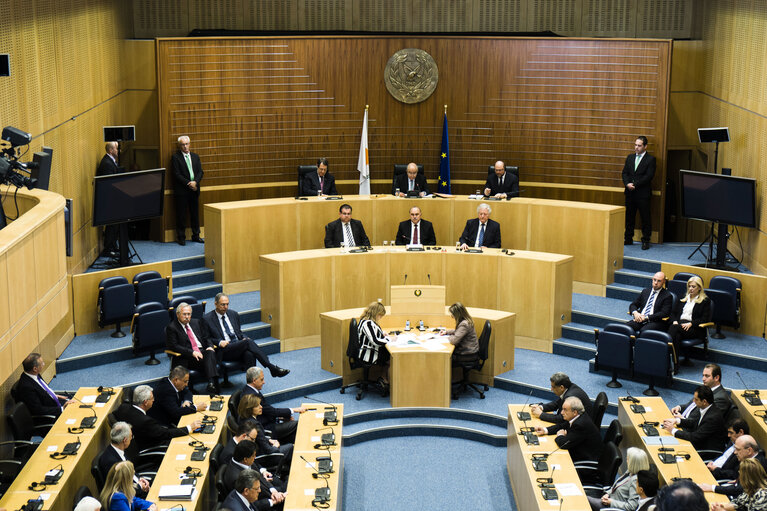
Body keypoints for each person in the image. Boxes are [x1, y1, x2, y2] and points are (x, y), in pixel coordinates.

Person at [202, 293, 289, 378]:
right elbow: (206, 338)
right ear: (215, 304)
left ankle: (252, 384)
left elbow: (238, 332)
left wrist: (243, 337)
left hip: (237, 345)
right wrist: (219, 342)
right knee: (248, 343)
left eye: (227, 304)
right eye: (223, 305)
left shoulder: (233, 314)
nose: (226, 307)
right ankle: (271, 367)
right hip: (224, 349)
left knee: (249, 353)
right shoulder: (207, 318)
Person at [112, 385, 201, 452]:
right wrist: (190, 427)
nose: (154, 400)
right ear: (145, 402)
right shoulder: (145, 421)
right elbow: (165, 434)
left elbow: (126, 391)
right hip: (147, 446)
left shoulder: (123, 407)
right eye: (152, 398)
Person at [241, 366, 306, 445]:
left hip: (268, 421)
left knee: (292, 430)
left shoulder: (248, 389)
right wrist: (294, 410)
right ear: (254, 380)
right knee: (297, 424)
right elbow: (272, 411)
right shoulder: (252, 395)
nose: (264, 382)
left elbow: (267, 411)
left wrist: (280, 417)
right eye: (261, 379)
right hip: (266, 428)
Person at [165, 303, 220, 394]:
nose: (187, 317)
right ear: (178, 314)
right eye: (184, 314)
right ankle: (213, 384)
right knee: (211, 359)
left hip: (202, 353)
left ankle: (211, 383)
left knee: (211, 353)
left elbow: (206, 337)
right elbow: (174, 346)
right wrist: (192, 352)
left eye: (189, 314)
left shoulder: (196, 322)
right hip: (188, 357)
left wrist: (210, 346)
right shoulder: (172, 327)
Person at [534, 396, 602, 467]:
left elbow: (564, 444)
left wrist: (560, 435)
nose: (562, 412)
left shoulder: (580, 425)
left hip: (586, 460)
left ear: (574, 412)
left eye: (565, 410)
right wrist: (545, 430)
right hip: (578, 449)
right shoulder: (578, 415)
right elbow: (562, 426)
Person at [662, 384, 727, 453]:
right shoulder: (705, 408)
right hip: (700, 441)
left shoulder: (712, 417)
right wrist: (677, 421)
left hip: (707, 450)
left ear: (704, 401)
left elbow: (695, 437)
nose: (693, 401)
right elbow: (693, 422)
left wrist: (673, 430)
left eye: (696, 399)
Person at [221, 440, 286, 505]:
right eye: (253, 456)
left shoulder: (244, 462)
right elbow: (250, 504)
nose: (255, 458)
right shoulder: (236, 479)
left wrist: (273, 491)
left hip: (267, 488)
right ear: (245, 459)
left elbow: (259, 476)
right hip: (265, 501)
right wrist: (272, 502)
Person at [700, 435, 767, 498]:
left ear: (749, 450)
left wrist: (712, 488)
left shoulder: (755, 465)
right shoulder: (750, 459)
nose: (735, 452)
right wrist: (738, 479)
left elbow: (740, 490)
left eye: (738, 449)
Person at [96, 421, 151, 496]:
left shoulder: (117, 450)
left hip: (135, 485)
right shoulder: (111, 462)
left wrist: (139, 479)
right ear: (125, 440)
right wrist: (140, 486)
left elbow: (131, 473)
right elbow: (121, 490)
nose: (131, 439)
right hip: (131, 497)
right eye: (131, 437)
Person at [667, 276, 712, 368]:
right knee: (677, 336)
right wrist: (675, 321)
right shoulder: (683, 298)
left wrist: (691, 324)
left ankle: (665, 355)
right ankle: (675, 365)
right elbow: (673, 313)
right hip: (679, 326)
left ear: (699, 288)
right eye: (689, 286)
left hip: (695, 328)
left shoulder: (705, 301)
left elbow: (704, 319)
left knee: (673, 329)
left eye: (693, 287)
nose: (690, 289)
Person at [622, 136, 656, 250]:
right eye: (635, 145)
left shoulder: (650, 159)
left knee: (645, 218)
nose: (636, 147)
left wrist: (634, 184)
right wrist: (627, 184)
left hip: (642, 194)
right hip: (630, 193)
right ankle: (628, 239)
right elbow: (625, 173)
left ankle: (646, 240)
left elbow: (649, 176)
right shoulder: (630, 157)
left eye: (639, 145)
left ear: (645, 146)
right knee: (629, 217)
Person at [15, 352, 73, 417]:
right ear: (35, 369)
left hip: (53, 402)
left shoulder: (34, 374)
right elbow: (38, 409)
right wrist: (62, 409)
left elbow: (43, 391)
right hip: (51, 414)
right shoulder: (26, 387)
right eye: (42, 363)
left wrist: (54, 395)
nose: (44, 364)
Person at [236, 394, 293, 458]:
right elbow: (268, 450)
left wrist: (268, 440)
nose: (261, 407)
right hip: (263, 456)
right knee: (291, 447)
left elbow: (259, 439)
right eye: (257, 406)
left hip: (258, 449)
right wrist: (275, 446)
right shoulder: (254, 425)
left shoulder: (241, 417)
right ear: (250, 409)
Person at [170, 135, 204, 246]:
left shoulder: (195, 156)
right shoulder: (175, 157)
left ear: (190, 144)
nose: (185, 146)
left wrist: (196, 183)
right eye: (183, 144)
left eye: (187, 144)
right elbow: (176, 174)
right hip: (182, 191)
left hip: (194, 190)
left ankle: (196, 235)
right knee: (181, 215)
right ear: (179, 146)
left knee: (195, 214)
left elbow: (200, 172)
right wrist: (189, 183)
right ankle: (181, 237)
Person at [357, 301, 391, 385]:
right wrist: (389, 340)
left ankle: (383, 378)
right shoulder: (367, 323)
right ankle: (384, 378)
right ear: (375, 313)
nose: (380, 317)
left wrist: (382, 334)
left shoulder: (366, 321)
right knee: (391, 358)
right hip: (368, 353)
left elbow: (372, 334)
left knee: (388, 354)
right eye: (380, 315)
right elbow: (375, 341)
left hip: (369, 349)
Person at [96, 141, 121, 255]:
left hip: (113, 199)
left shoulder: (110, 161)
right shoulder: (107, 163)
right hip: (110, 199)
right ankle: (109, 248)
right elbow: (109, 184)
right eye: (116, 148)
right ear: (111, 150)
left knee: (115, 224)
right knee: (112, 225)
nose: (118, 150)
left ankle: (113, 245)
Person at [441, 302, 479, 370]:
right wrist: (446, 332)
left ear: (457, 314)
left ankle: (447, 379)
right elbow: (458, 331)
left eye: (452, 314)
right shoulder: (466, 321)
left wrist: (446, 338)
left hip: (468, 355)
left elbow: (454, 341)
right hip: (471, 352)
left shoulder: (464, 324)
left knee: (443, 360)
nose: (451, 316)